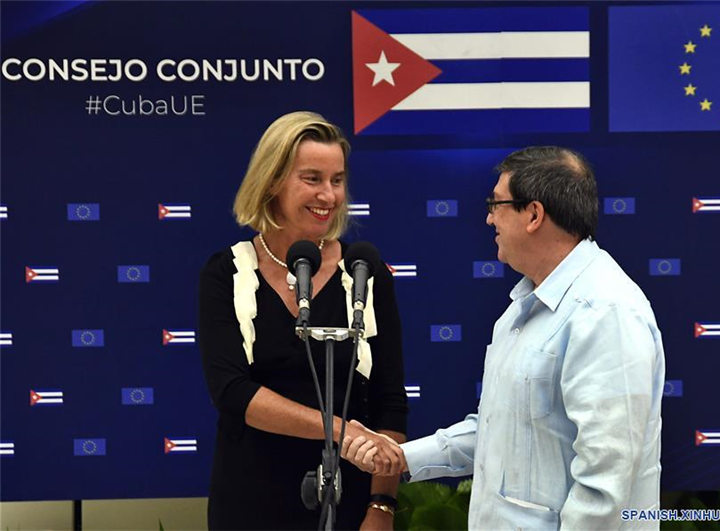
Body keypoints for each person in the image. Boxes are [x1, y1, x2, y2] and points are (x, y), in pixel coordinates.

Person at [344, 146, 665, 530]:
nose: (488, 218)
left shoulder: (604, 313)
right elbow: (500, 430)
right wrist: (400, 456)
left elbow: (605, 484)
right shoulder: (523, 306)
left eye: (496, 204)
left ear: (533, 214)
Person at [198, 111, 407, 530]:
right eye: (312, 179)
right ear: (273, 180)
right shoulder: (227, 273)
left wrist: (381, 504)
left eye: (337, 180)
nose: (329, 195)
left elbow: (390, 403)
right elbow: (234, 393)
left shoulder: (364, 270)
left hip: (350, 500)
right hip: (250, 501)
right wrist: (339, 431)